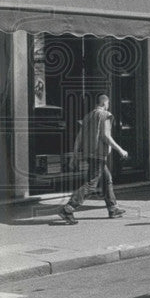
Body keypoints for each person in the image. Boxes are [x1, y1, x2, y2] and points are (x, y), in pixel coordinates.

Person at [58, 94, 128, 224]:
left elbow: (79, 138)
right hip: (99, 154)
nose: (108, 106)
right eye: (107, 104)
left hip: (90, 155)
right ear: (104, 103)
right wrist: (120, 150)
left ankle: (113, 208)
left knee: (107, 179)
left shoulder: (88, 116)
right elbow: (106, 136)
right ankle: (68, 208)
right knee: (91, 185)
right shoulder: (105, 115)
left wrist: (74, 156)